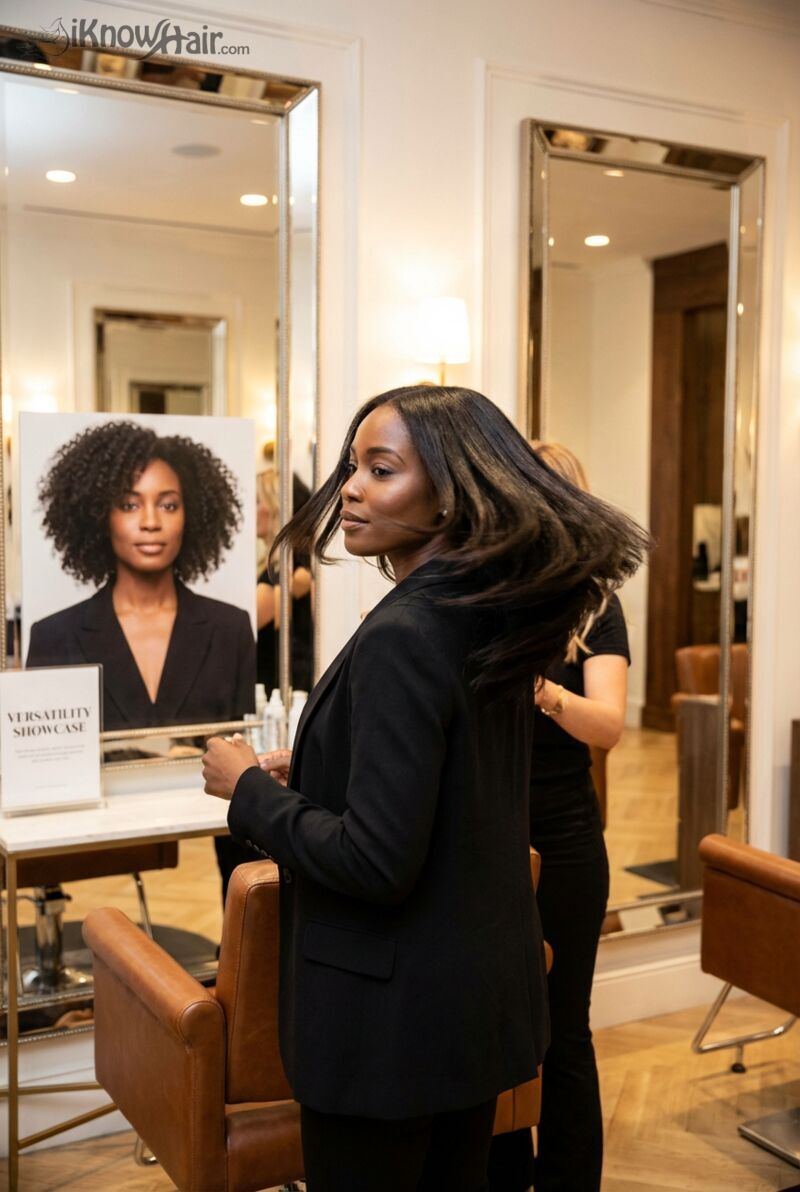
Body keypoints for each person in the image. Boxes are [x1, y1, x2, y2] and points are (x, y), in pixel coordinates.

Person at [202, 387, 647, 1192]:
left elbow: (376, 863)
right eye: (352, 468)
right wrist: (320, 771)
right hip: (463, 1013)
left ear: (448, 494)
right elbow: (454, 793)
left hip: (388, 1032)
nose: (350, 489)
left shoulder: (406, 633)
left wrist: (247, 793)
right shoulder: (489, 617)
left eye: (381, 470)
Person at [25, 420, 256, 897]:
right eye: (129, 504)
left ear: (191, 515)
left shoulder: (229, 629)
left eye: (168, 504)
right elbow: (45, 783)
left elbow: (239, 786)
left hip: (207, 869)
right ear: (98, 516)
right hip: (96, 878)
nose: (151, 521)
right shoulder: (54, 636)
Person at [488, 441, 631, 1192]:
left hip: (566, 841)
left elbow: (608, 726)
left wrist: (542, 689)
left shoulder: (597, 608)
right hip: (488, 841)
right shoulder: (480, 599)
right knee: (496, 1034)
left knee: (563, 1031)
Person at [255, 468, 314, 693]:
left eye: (257, 501)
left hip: (286, 690)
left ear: (276, 507)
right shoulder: (276, 566)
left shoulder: (296, 567)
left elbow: (247, 620)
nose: (250, 509)